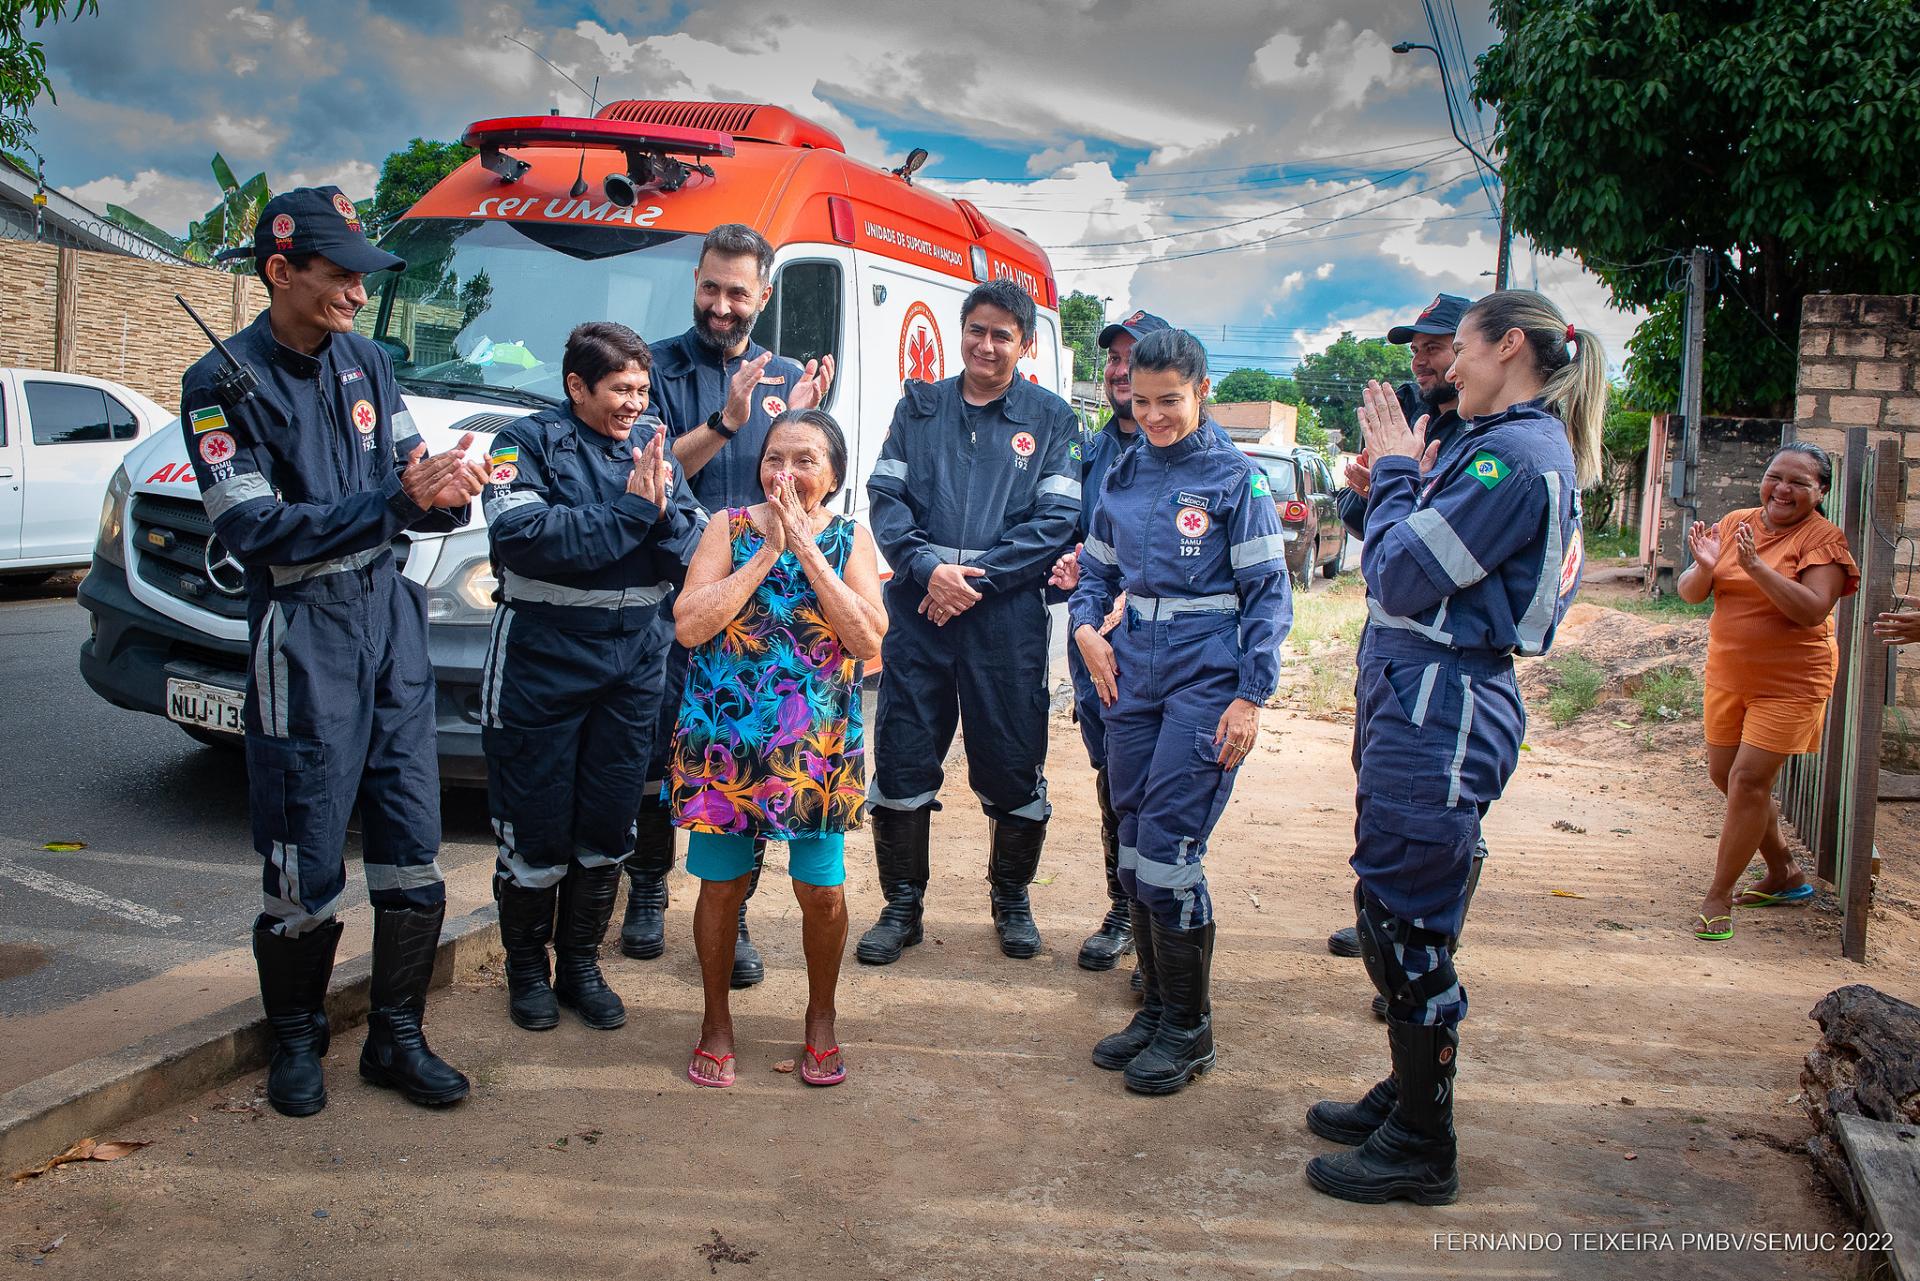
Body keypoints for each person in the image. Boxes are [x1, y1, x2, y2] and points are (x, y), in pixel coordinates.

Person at [180, 187, 487, 1116]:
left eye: (363, 273)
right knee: (303, 848)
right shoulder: (218, 384)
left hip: (390, 621)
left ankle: (397, 1036)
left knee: (410, 840)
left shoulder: (367, 362)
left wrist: (446, 487)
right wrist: (398, 502)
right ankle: (298, 1039)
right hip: (303, 629)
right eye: (340, 273)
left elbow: (410, 471)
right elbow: (254, 528)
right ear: (281, 272)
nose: (359, 291)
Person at [1304, 290, 1604, 1206]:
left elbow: (1400, 571)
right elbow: (1404, 557)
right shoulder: (1491, 441)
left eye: (1461, 351)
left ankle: (1424, 1142)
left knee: (1410, 920)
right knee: (1389, 898)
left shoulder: (1511, 455)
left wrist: (1396, 472)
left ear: (1509, 345)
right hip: (1416, 686)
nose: (1447, 369)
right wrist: (1384, 487)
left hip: (1443, 698)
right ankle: (1410, 1088)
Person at [1070, 328, 1290, 1095]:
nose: (1155, 414)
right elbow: (1094, 574)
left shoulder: (1237, 481)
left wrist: (1250, 696)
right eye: (1142, 399)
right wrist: (1085, 631)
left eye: (1172, 400)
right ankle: (1158, 1009)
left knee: (1168, 847)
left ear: (1203, 394)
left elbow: (1269, 596)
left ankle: (1190, 1030)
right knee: (1132, 845)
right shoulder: (1123, 473)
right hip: (1131, 678)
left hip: (1206, 680)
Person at [619, 224, 833, 987]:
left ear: (763, 296)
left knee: (751, 756)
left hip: (759, 605)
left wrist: (798, 417)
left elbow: (800, 475)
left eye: (738, 291)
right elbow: (648, 467)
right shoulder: (654, 367)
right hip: (673, 592)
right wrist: (729, 423)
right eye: (711, 286)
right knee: (653, 751)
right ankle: (646, 890)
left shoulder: (780, 373)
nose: (721, 304)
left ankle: (734, 915)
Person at [481, 322, 704, 1033]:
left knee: (609, 824)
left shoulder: (656, 448)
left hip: (634, 663)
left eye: (642, 388)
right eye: (620, 389)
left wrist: (656, 514)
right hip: (543, 661)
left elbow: (696, 549)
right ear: (576, 385)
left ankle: (580, 962)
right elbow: (528, 538)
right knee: (537, 825)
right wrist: (635, 512)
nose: (634, 403)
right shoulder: (523, 442)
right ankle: (527, 970)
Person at [859, 279, 1081, 965]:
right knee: (901, 757)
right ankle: (902, 906)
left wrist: (970, 583)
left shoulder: (1050, 418)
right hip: (921, 614)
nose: (986, 345)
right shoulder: (920, 406)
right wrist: (928, 570)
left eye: (1002, 334)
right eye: (976, 330)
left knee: (1013, 762)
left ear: (1027, 343)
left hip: (1004, 620)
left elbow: (1056, 522)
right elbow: (885, 499)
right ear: (963, 332)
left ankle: (1011, 900)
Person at [669, 409, 886, 1086]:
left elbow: (869, 640)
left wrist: (807, 548)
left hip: (815, 750)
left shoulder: (852, 535)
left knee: (820, 891)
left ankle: (821, 1018)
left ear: (834, 475)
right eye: (773, 458)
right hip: (726, 746)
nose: (784, 473)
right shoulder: (725, 528)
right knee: (722, 885)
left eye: (803, 460)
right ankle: (715, 1021)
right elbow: (688, 625)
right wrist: (767, 552)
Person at [1326, 294, 1488, 1018]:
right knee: (1379, 782)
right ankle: (1385, 917)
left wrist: (1401, 483)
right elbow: (1374, 530)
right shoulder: (1418, 425)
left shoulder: (1480, 440)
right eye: (1414, 347)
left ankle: (1422, 946)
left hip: (1440, 656)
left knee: (1438, 810)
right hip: (1389, 645)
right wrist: (1372, 486)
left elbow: (1421, 559)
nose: (1420, 359)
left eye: (1436, 345)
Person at [1676, 442, 1856, 940]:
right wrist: (1706, 567)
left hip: (1791, 682)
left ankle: (1718, 897)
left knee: (1749, 782)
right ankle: (1783, 873)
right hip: (1730, 673)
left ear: (1820, 493)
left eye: (1799, 483)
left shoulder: (1824, 541)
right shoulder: (1737, 521)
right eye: (1776, 476)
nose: (1783, 489)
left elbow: (1812, 611)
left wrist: (1757, 569)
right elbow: (1691, 594)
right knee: (1725, 776)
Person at [1046, 308, 1170, 976]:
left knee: (1160, 788)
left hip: (1161, 655)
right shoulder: (1091, 451)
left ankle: (1156, 930)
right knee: (1112, 783)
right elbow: (1078, 535)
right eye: (1115, 360)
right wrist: (1071, 562)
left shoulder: (1185, 456)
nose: (1121, 371)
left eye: (1135, 358)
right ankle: (1122, 909)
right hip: (1094, 651)